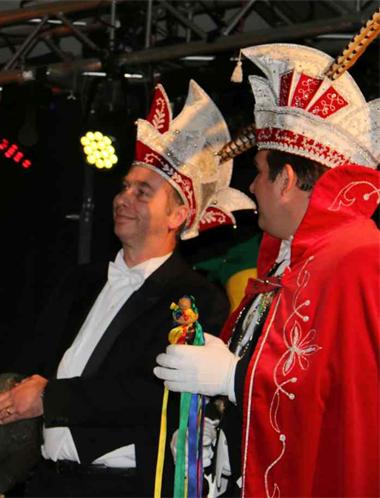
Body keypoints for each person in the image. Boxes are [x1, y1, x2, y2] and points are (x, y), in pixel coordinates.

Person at [0, 81, 253, 497]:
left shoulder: (196, 298)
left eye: (142, 192)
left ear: (177, 215)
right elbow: (34, 370)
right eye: (125, 187)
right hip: (48, 483)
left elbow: (156, 391)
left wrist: (53, 398)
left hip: (121, 488)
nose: (123, 198)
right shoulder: (80, 282)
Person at [154, 43, 380, 497]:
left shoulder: (357, 255)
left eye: (259, 172)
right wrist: (212, 425)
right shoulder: (287, 265)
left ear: (287, 179)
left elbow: (354, 395)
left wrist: (231, 378)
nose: (253, 186)